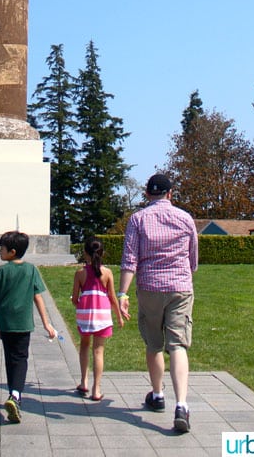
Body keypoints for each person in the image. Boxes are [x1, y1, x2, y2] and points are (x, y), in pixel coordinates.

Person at [118, 173, 198, 434]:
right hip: (180, 287)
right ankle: (182, 405)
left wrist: (122, 294)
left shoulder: (138, 219)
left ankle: (158, 394)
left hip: (150, 287)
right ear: (170, 193)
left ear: (147, 194)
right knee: (177, 345)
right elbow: (193, 257)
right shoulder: (185, 218)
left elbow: (130, 259)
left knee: (154, 344)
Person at [0, 230, 56, 423]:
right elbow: (38, 297)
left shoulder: (0, 272)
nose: (0, 251)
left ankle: (14, 395)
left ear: (11, 251)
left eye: (2, 248)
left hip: (5, 322)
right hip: (23, 323)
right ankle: (15, 395)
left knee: (10, 359)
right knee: (21, 359)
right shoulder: (31, 270)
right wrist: (47, 323)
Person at [71, 236, 124, 401]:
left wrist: (79, 306)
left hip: (85, 314)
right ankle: (96, 389)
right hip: (102, 314)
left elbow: (74, 298)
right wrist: (119, 316)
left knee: (84, 346)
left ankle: (83, 381)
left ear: (85, 253)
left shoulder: (80, 273)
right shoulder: (107, 273)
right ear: (102, 253)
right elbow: (113, 297)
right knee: (99, 351)